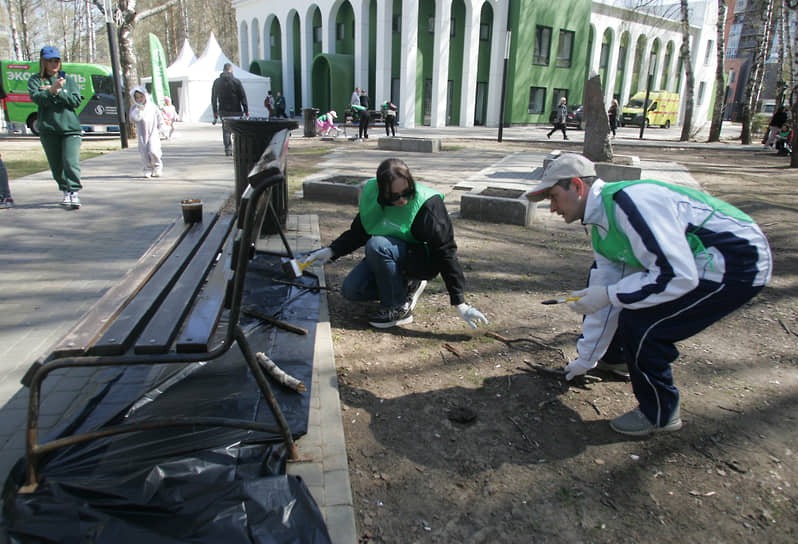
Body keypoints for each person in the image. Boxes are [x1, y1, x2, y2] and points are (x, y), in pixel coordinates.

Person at [527, 153, 772, 436]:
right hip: (692, 264)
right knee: (622, 297)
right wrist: (586, 359)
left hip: (735, 261)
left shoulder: (632, 204)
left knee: (645, 326)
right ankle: (616, 358)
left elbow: (676, 276)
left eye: (554, 197)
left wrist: (608, 294)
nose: (552, 208)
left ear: (577, 186)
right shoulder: (600, 226)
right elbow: (606, 298)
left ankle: (660, 413)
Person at [300, 158, 488, 329]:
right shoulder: (372, 196)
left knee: (377, 245)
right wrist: (332, 250)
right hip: (391, 252)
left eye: (407, 192)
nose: (402, 200)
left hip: (422, 260)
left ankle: (397, 307)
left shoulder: (428, 205)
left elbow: (446, 251)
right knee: (352, 290)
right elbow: (359, 231)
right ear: (382, 193)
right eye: (394, 196)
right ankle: (406, 287)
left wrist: (459, 302)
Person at [27, 46, 83, 209]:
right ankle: (65, 189)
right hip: (48, 129)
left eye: (56, 60)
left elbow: (75, 101)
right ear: (43, 62)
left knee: (70, 162)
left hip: (70, 128)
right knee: (56, 165)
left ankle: (74, 191)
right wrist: (50, 90)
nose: (53, 64)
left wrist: (58, 92)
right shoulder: (36, 80)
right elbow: (37, 98)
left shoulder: (68, 80)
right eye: (50, 61)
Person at [211, 63, 249, 156]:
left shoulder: (217, 82)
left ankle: (228, 150)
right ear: (231, 70)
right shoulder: (236, 81)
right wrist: (246, 110)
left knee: (226, 130)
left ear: (223, 70)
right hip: (236, 111)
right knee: (237, 131)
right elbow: (242, 96)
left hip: (223, 111)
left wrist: (215, 111)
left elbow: (214, 98)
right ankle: (238, 149)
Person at [129, 86, 164, 178]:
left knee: (153, 150)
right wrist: (138, 111)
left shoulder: (152, 106)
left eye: (141, 96)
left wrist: (162, 128)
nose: (139, 99)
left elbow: (159, 117)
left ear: (145, 96)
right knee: (144, 151)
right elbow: (133, 119)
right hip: (142, 133)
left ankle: (157, 167)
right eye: (137, 97)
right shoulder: (134, 108)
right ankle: (148, 168)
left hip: (153, 132)